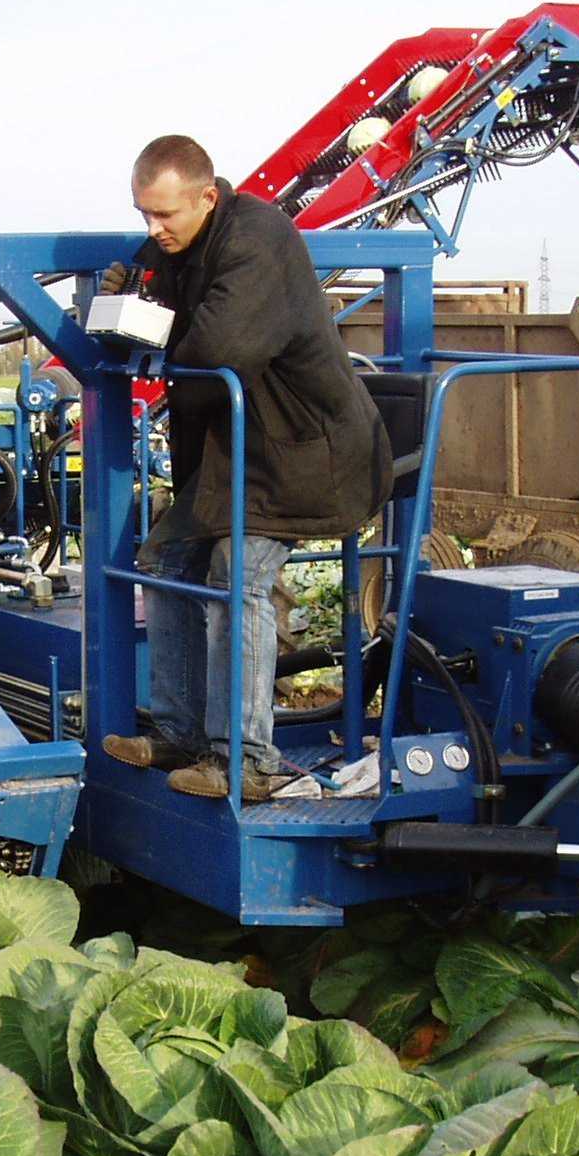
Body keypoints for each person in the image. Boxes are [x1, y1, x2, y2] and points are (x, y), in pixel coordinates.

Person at [97, 134, 389, 803]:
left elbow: (214, 356)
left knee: (237, 578)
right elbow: (139, 322)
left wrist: (146, 326)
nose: (153, 229)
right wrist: (131, 312)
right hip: (238, 457)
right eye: (144, 214)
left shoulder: (257, 239)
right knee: (167, 565)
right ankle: (178, 733)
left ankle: (247, 761)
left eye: (165, 215)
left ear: (208, 194)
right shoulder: (181, 246)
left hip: (306, 454)